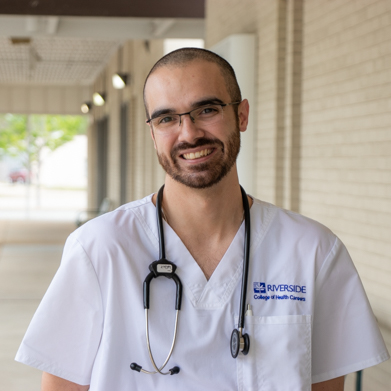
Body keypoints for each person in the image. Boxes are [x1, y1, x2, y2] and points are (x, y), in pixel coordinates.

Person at [16, 48, 389, 390]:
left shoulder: (312, 251)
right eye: (166, 118)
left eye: (207, 110)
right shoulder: (100, 249)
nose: (189, 133)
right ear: (152, 132)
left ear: (241, 115)